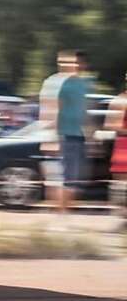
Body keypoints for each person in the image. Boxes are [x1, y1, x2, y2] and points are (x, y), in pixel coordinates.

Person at [39, 50, 91, 219]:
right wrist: (51, 137)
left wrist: (90, 134)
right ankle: (59, 216)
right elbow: (50, 110)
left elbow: (83, 110)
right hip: (62, 136)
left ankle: (64, 214)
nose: (73, 66)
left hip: (78, 136)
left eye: (77, 63)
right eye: (68, 63)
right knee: (60, 177)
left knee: (73, 178)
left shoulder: (82, 84)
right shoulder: (56, 83)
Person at [106, 72, 127, 219]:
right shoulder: (120, 100)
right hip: (123, 146)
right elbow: (110, 125)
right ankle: (121, 217)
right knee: (121, 185)